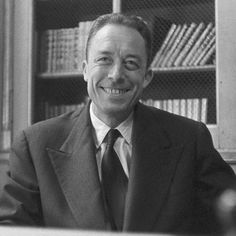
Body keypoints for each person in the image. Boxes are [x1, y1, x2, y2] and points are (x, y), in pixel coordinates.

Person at [0, 13, 235, 235]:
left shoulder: (189, 139)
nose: (115, 74)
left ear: (146, 76)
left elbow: (229, 219)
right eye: (104, 59)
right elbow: (11, 229)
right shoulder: (35, 145)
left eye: (131, 63)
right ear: (84, 69)